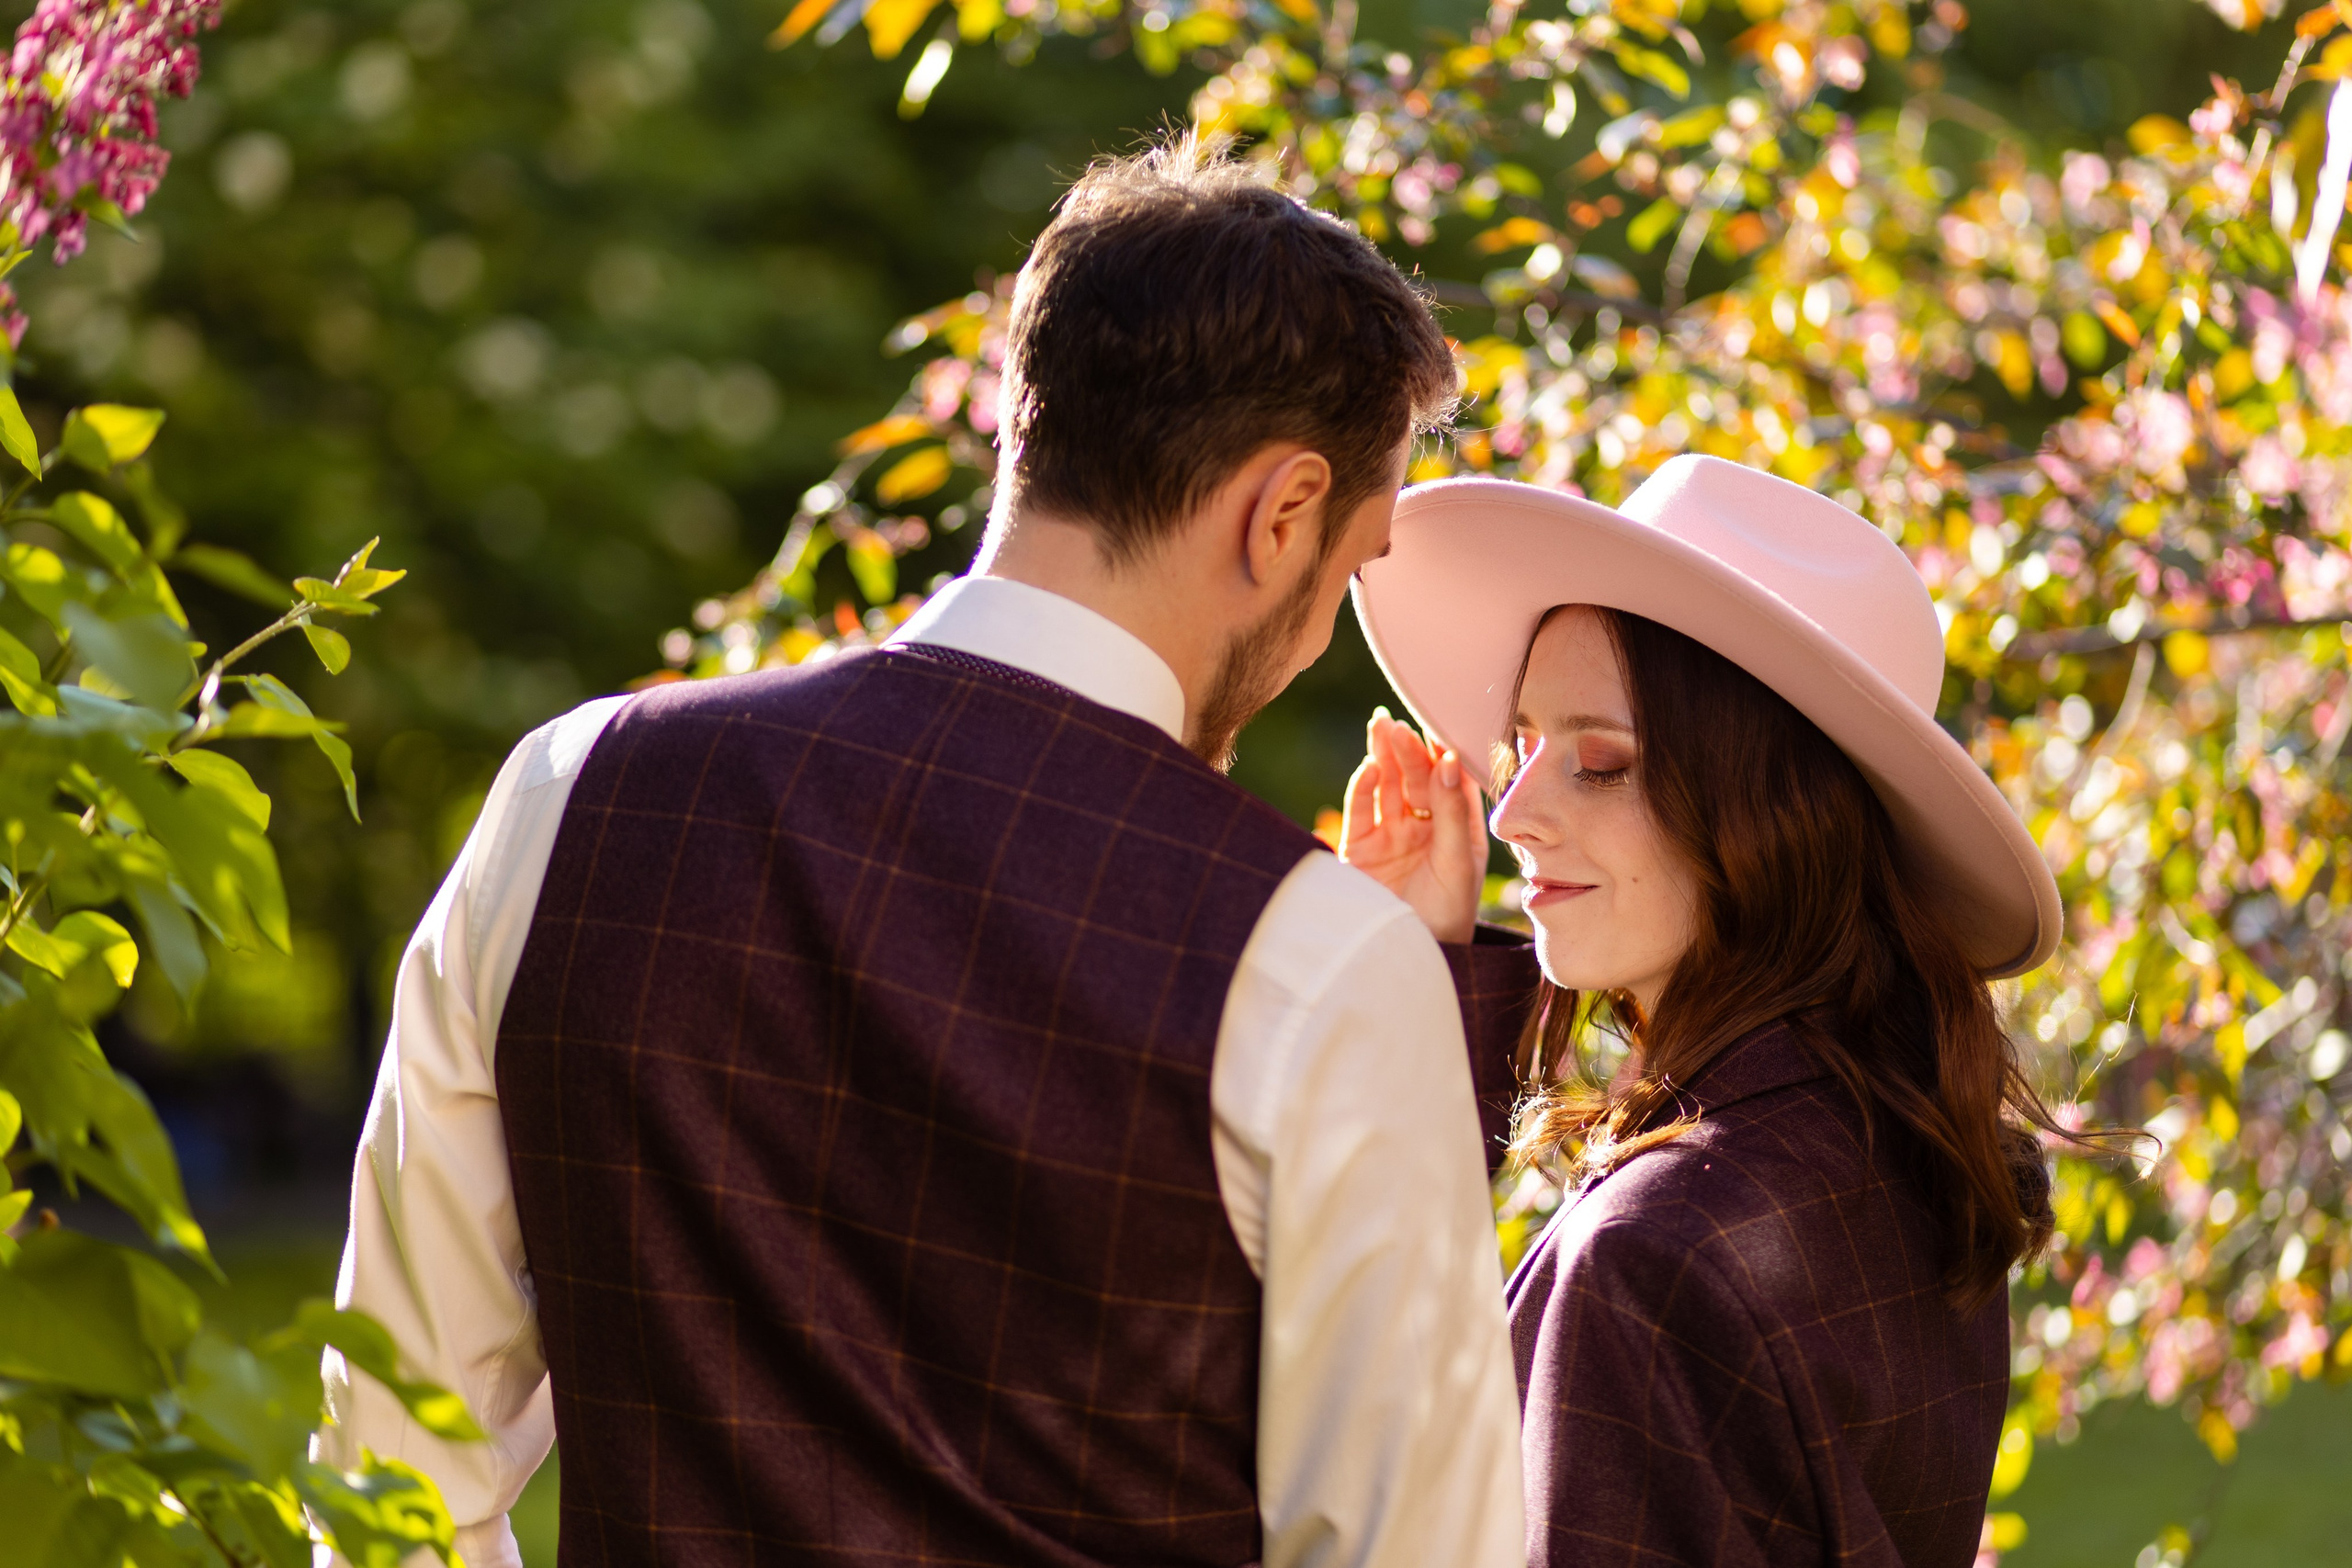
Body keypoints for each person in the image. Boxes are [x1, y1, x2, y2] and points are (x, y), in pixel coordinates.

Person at [309, 137, 1528, 1568]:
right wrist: (1371, 983)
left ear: (1031, 426)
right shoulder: (1315, 957)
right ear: (1280, 514)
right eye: (1353, 558)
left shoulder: (574, 789)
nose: (1327, 623)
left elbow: (392, 1472)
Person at [1339, 454, 2071, 1568]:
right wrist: (1419, 976)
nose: (1512, 812)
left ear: (1768, 816)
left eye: (1600, 762)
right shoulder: (1894, 1139)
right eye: (1524, 744)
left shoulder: (1654, 1254)